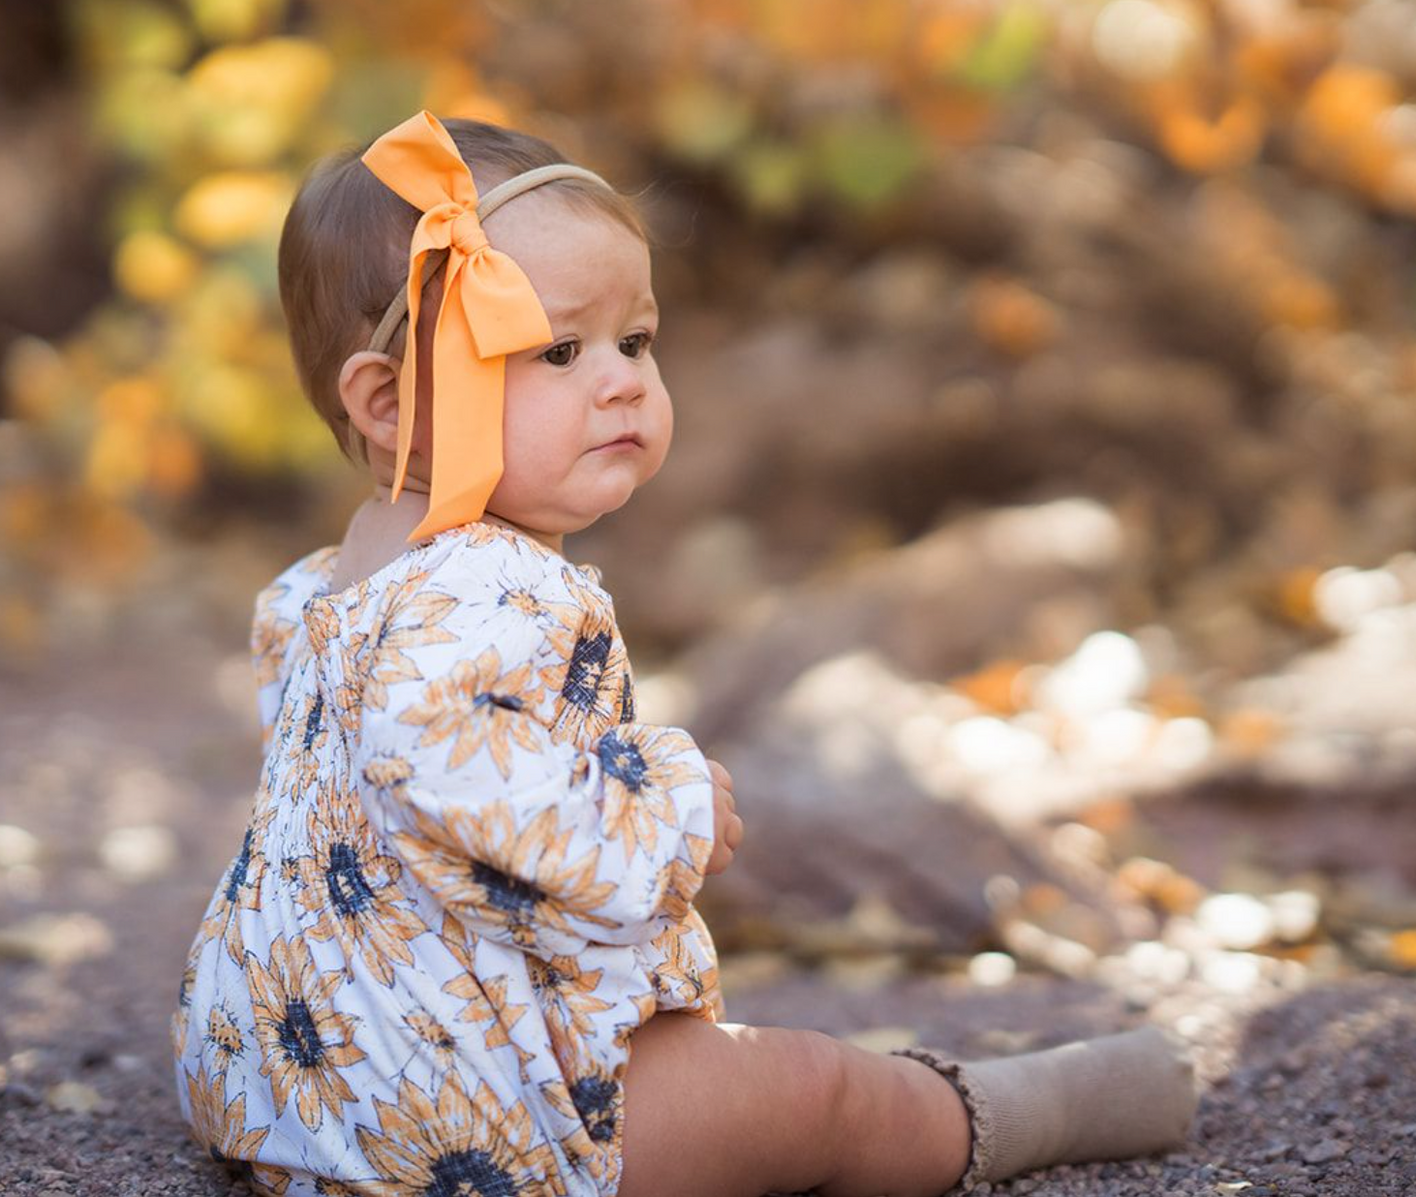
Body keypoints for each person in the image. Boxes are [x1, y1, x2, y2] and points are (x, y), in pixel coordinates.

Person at [172, 110, 1198, 1197]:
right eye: (558, 351)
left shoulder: (325, 590)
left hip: (286, 1084)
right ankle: (1012, 1109)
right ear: (388, 403)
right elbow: (496, 808)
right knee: (810, 1094)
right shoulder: (479, 590)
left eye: (636, 341)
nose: (618, 381)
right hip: (460, 1118)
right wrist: (666, 809)